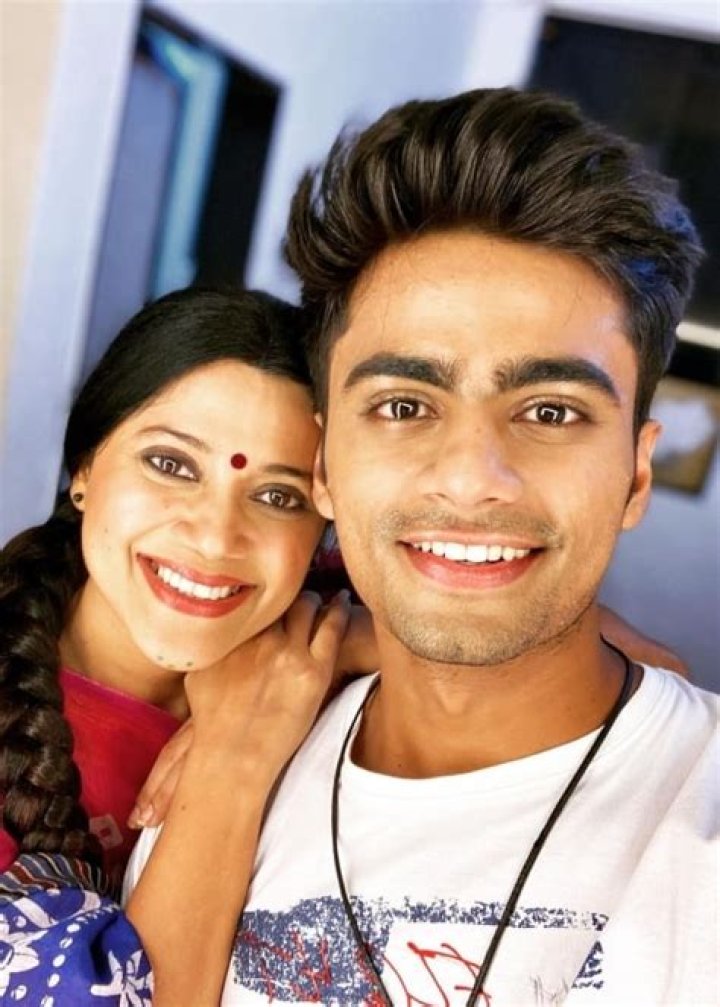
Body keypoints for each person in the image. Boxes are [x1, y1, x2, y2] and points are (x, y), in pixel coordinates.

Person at [124, 87, 717, 1005]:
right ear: (325, 466)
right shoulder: (213, 775)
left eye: (550, 411)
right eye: (404, 405)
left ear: (636, 475)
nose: (471, 478)